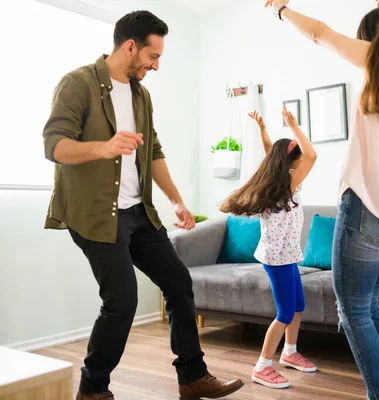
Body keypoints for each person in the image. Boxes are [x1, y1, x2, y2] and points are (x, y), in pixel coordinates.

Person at [42, 10, 244, 400]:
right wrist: (103, 146)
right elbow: (54, 145)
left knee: (179, 283)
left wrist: (177, 201)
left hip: (138, 213)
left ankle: (192, 377)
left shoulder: (140, 94)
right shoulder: (77, 84)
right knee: (122, 300)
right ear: (130, 46)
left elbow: (152, 151)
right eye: (153, 56)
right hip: (96, 215)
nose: (156, 65)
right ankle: (92, 389)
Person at [263, 1, 379, 399]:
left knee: (353, 310)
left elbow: (320, 33)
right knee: (369, 305)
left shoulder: (375, 59)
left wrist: (282, 10)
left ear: (372, 41)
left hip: (365, 214)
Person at [219, 106, 318, 389]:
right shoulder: (287, 184)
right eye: (298, 161)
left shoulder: (275, 181)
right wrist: (294, 126)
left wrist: (264, 130)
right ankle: (262, 366)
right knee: (286, 312)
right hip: (279, 259)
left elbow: (272, 153)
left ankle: (290, 351)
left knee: (298, 306)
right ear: (292, 164)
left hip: (284, 255)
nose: (303, 165)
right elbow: (311, 155)